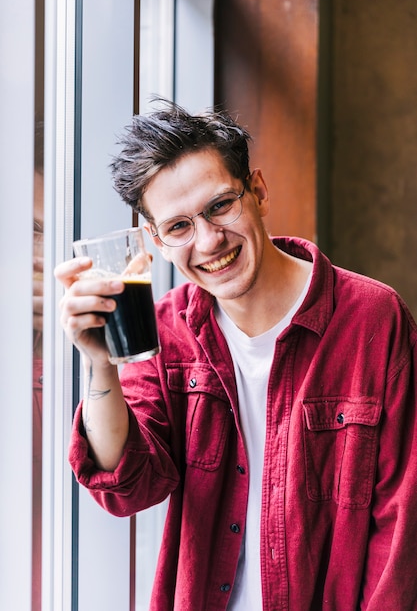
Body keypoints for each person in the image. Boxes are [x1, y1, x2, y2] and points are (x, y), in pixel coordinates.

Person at [55, 100, 417, 610]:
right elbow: (128, 486)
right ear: (156, 240)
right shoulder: (165, 331)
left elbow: (400, 524)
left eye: (221, 206)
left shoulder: (373, 318)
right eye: (179, 227)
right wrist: (99, 362)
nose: (208, 240)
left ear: (258, 192)